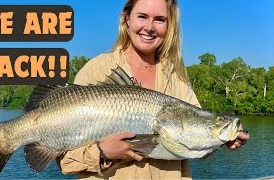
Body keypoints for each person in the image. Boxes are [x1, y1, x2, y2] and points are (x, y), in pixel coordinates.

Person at [56, 0, 250, 179]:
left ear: (169, 25)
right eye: (142, 16)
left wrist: (222, 140)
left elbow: (193, 143)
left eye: (159, 19)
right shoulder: (96, 69)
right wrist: (102, 152)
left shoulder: (178, 76)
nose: (149, 27)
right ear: (127, 19)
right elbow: (63, 159)